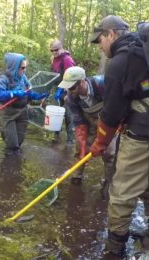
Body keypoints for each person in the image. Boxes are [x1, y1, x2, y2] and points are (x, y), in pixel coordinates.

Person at [89, 15, 149, 257]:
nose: (100, 46)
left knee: (120, 197)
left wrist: (99, 143)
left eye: (100, 40)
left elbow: (110, 116)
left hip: (144, 138)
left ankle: (114, 250)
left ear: (111, 34)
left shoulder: (119, 63)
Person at [57, 66, 118, 197]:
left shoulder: (103, 84)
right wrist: (84, 145)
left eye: (72, 87)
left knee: (109, 153)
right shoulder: (70, 98)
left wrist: (102, 140)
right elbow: (79, 123)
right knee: (80, 150)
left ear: (82, 81)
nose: (70, 90)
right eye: (68, 87)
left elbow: (117, 107)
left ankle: (108, 182)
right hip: (89, 121)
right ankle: (77, 175)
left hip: (110, 121)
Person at [0, 52, 49, 156]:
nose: (24, 70)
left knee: (19, 140)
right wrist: (13, 93)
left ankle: (16, 159)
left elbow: (29, 92)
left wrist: (37, 96)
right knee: (12, 143)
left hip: (22, 111)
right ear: (14, 67)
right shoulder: (3, 78)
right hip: (7, 113)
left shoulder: (23, 78)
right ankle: (10, 165)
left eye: (25, 67)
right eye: (22, 68)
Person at [50, 40, 75, 144]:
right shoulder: (53, 59)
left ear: (61, 48)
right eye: (52, 50)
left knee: (69, 115)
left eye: (56, 50)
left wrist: (67, 92)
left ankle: (70, 140)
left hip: (68, 90)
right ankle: (56, 136)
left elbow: (73, 78)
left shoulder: (67, 60)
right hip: (57, 90)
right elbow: (52, 77)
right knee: (56, 114)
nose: (54, 52)